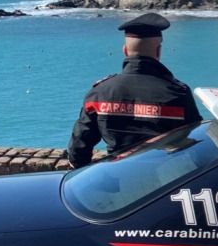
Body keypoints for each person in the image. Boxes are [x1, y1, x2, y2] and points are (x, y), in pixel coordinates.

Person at [66, 12, 202, 168]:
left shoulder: (100, 92)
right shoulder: (178, 93)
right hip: (167, 180)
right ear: (158, 51)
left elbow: (79, 147)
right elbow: (194, 141)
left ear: (125, 51)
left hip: (119, 178)